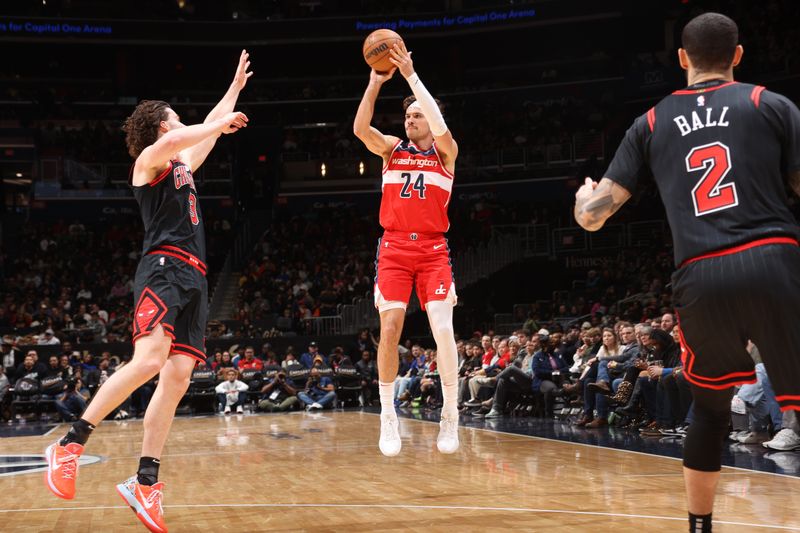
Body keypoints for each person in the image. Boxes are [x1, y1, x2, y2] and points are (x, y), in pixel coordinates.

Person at [573, 13, 800, 532]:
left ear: (682, 59)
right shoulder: (770, 104)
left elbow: (592, 218)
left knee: (710, 408)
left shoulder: (651, 122)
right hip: (773, 259)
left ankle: (700, 526)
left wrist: (584, 199)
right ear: (738, 55)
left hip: (701, 276)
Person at [43, 50, 253, 533]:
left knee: (177, 376)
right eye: (174, 120)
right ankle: (71, 443)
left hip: (195, 275)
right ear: (160, 127)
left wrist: (234, 90)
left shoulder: (181, 164)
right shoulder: (150, 159)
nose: (181, 125)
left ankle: (144, 483)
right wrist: (216, 124)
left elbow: (204, 133)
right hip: (163, 268)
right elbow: (192, 133)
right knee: (148, 360)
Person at [354, 41, 460, 456]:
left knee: (444, 328)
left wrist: (412, 75)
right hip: (395, 249)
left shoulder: (446, 154)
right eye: (408, 114)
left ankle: (450, 412)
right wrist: (373, 83)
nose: (411, 118)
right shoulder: (391, 149)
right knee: (391, 328)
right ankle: (387, 414)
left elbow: (439, 123)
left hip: (434, 250)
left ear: (432, 121)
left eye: (418, 114)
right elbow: (361, 130)